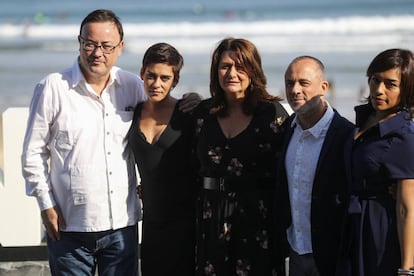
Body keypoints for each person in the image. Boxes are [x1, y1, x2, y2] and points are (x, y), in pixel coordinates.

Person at [21, 9, 199, 276]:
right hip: (70, 227)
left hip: (121, 227)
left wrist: (192, 99)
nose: (97, 53)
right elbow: (32, 154)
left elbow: (161, 97)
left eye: (106, 46)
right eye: (90, 44)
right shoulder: (52, 88)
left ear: (120, 48)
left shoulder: (132, 85)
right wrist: (46, 205)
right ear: (79, 42)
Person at [194, 37, 289, 275]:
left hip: (257, 218)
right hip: (211, 215)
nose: (232, 73)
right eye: (225, 66)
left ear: (253, 70)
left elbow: (288, 169)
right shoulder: (202, 113)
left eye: (240, 66)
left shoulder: (271, 113)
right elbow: (186, 164)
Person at [275, 56, 355, 276]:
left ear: (323, 87)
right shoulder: (286, 129)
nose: (295, 90)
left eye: (304, 83)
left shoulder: (347, 135)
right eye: (289, 83)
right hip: (296, 251)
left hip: (332, 256)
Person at [127, 42, 198, 275]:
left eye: (165, 78)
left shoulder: (188, 114)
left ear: (175, 81)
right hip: (151, 225)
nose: (156, 84)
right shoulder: (131, 114)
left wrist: (200, 102)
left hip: (187, 226)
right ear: (142, 73)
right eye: (151, 76)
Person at [347, 48, 414, 276]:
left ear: (406, 88)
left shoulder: (403, 134)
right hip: (350, 228)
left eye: (390, 84)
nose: (378, 89)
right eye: (375, 80)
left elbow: (406, 206)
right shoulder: (365, 117)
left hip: (378, 232)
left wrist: (406, 268)